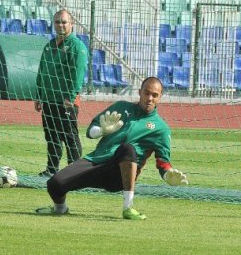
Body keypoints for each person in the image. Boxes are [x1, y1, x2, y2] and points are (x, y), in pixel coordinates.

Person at [36, 77, 189, 220]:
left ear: (160, 97)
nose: (149, 98)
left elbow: (163, 161)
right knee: (54, 184)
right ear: (139, 92)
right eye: (146, 93)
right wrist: (102, 131)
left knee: (127, 149)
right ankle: (60, 208)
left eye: (154, 95)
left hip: (119, 175)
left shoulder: (161, 128)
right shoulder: (121, 107)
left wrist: (168, 174)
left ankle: (128, 208)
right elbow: (90, 131)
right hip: (96, 162)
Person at [35, 9, 88, 177]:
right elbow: (42, 71)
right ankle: (52, 170)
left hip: (66, 101)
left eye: (64, 22)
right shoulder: (49, 46)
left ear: (71, 24)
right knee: (51, 136)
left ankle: (75, 173)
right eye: (57, 22)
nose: (61, 25)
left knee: (69, 136)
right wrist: (39, 95)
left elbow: (78, 74)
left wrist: (71, 97)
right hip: (49, 99)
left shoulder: (77, 46)